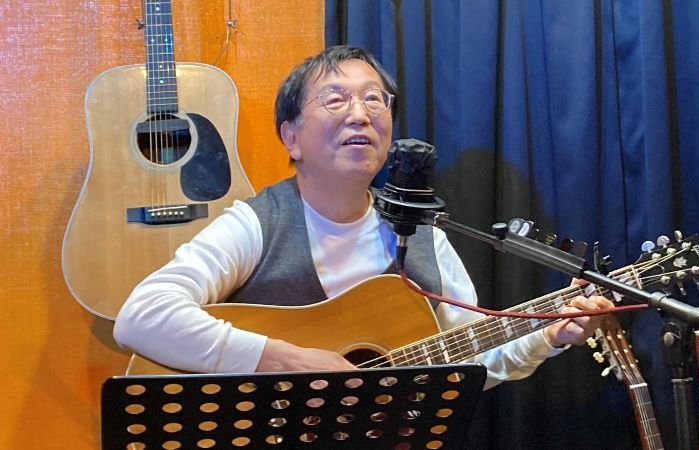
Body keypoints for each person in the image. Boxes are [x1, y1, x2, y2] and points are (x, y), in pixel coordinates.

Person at [113, 45, 613, 388]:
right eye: (336, 99)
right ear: (291, 137)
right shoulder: (255, 224)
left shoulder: (423, 236)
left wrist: (548, 336)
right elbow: (143, 316)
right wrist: (287, 359)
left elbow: (468, 358)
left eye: (375, 98)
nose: (361, 113)